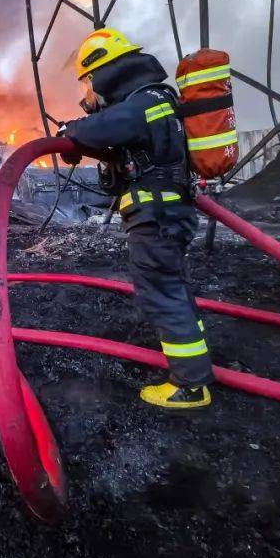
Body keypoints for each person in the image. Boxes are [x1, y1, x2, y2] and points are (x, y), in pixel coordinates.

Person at [58, 27, 215, 409]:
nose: (86, 95)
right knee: (170, 286)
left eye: (86, 83)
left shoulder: (146, 101)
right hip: (164, 213)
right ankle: (193, 361)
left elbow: (102, 127)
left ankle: (190, 385)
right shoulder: (153, 101)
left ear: (101, 73)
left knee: (161, 291)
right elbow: (124, 146)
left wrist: (71, 131)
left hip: (156, 216)